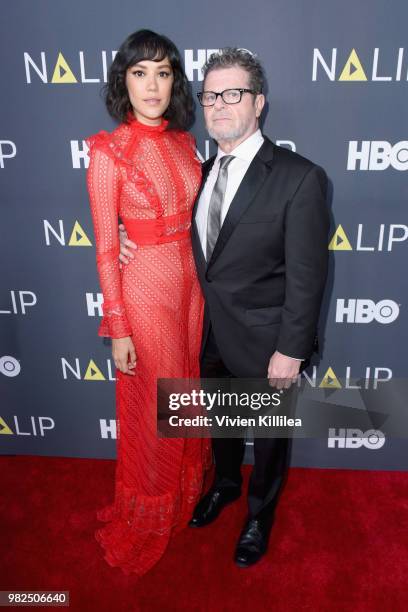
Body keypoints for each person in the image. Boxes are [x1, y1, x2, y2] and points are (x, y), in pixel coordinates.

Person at [119, 48, 330, 568]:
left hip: (268, 342)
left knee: (271, 438)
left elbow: (308, 277)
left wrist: (290, 351)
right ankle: (228, 485)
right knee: (222, 424)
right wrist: (131, 240)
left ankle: (261, 513)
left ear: (258, 103)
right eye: (211, 95)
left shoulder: (299, 178)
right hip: (204, 331)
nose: (218, 105)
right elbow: (175, 237)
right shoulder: (201, 171)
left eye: (232, 94)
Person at [85, 29, 210, 577]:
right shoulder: (109, 152)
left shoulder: (186, 144)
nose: (152, 85)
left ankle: (183, 499)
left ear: (174, 80)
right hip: (145, 293)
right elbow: (107, 246)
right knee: (159, 404)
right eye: (140, 73)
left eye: (162, 72)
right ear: (124, 81)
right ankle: (148, 512)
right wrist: (118, 328)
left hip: (192, 292)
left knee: (186, 394)